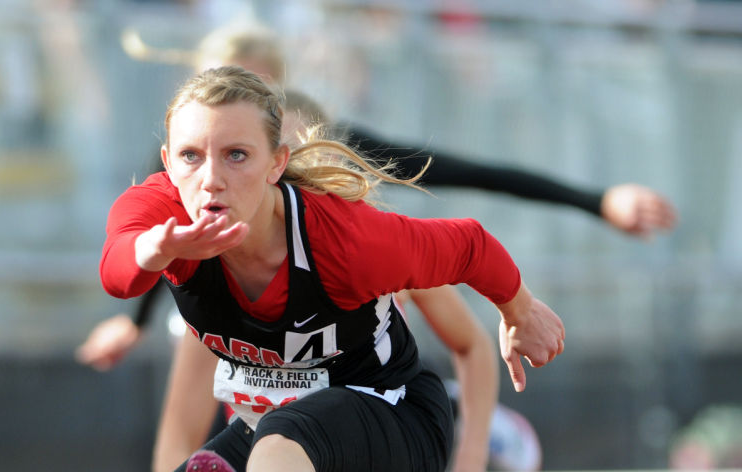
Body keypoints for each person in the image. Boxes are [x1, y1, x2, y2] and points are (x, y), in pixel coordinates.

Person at [80, 66, 564, 472]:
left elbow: (469, 245)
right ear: (168, 165)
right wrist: (155, 251)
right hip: (273, 434)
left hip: (396, 428)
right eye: (191, 157)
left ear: (276, 164)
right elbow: (117, 272)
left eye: (236, 155)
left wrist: (518, 310)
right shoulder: (158, 214)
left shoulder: (344, 240)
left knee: (289, 427)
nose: (210, 178)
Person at [76, 23, 676, 372]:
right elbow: (162, 239)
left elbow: (472, 184)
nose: (217, 167)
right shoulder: (182, 174)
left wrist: (598, 201)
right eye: (218, 89)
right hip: (232, 350)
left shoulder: (332, 165)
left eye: (257, 90)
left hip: (336, 365)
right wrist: (133, 320)